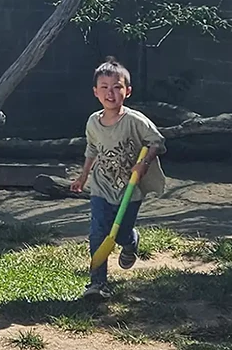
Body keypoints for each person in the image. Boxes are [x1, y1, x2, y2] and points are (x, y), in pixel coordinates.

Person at [71, 56, 166, 298]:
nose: (110, 93)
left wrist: (143, 164)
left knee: (121, 232)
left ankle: (131, 240)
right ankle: (97, 283)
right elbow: (91, 149)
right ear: (95, 92)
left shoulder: (134, 121)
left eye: (117, 87)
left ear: (128, 91)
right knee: (98, 232)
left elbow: (157, 142)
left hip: (130, 189)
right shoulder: (93, 122)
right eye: (104, 87)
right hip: (102, 187)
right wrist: (83, 177)